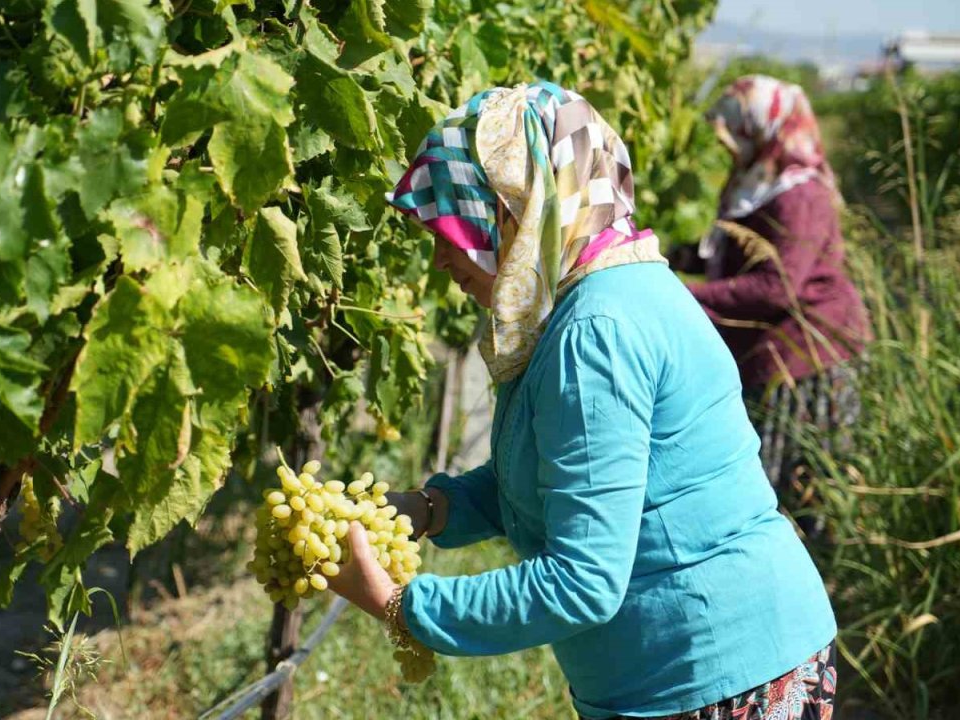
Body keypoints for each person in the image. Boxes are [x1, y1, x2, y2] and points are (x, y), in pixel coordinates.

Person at [328, 81, 837, 720]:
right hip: (702, 665)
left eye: (455, 225)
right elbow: (564, 476)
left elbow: (582, 583)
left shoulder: (596, 333)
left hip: (716, 675)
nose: (438, 258)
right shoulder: (607, 292)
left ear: (522, 208)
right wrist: (431, 509)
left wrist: (401, 605)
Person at [672, 75, 872, 537]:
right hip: (772, 357)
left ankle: (809, 578)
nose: (725, 145)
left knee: (792, 487)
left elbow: (775, 287)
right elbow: (747, 248)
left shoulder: (800, 194)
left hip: (804, 362)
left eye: (733, 132)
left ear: (762, 127)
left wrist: (682, 294)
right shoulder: (763, 180)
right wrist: (684, 258)